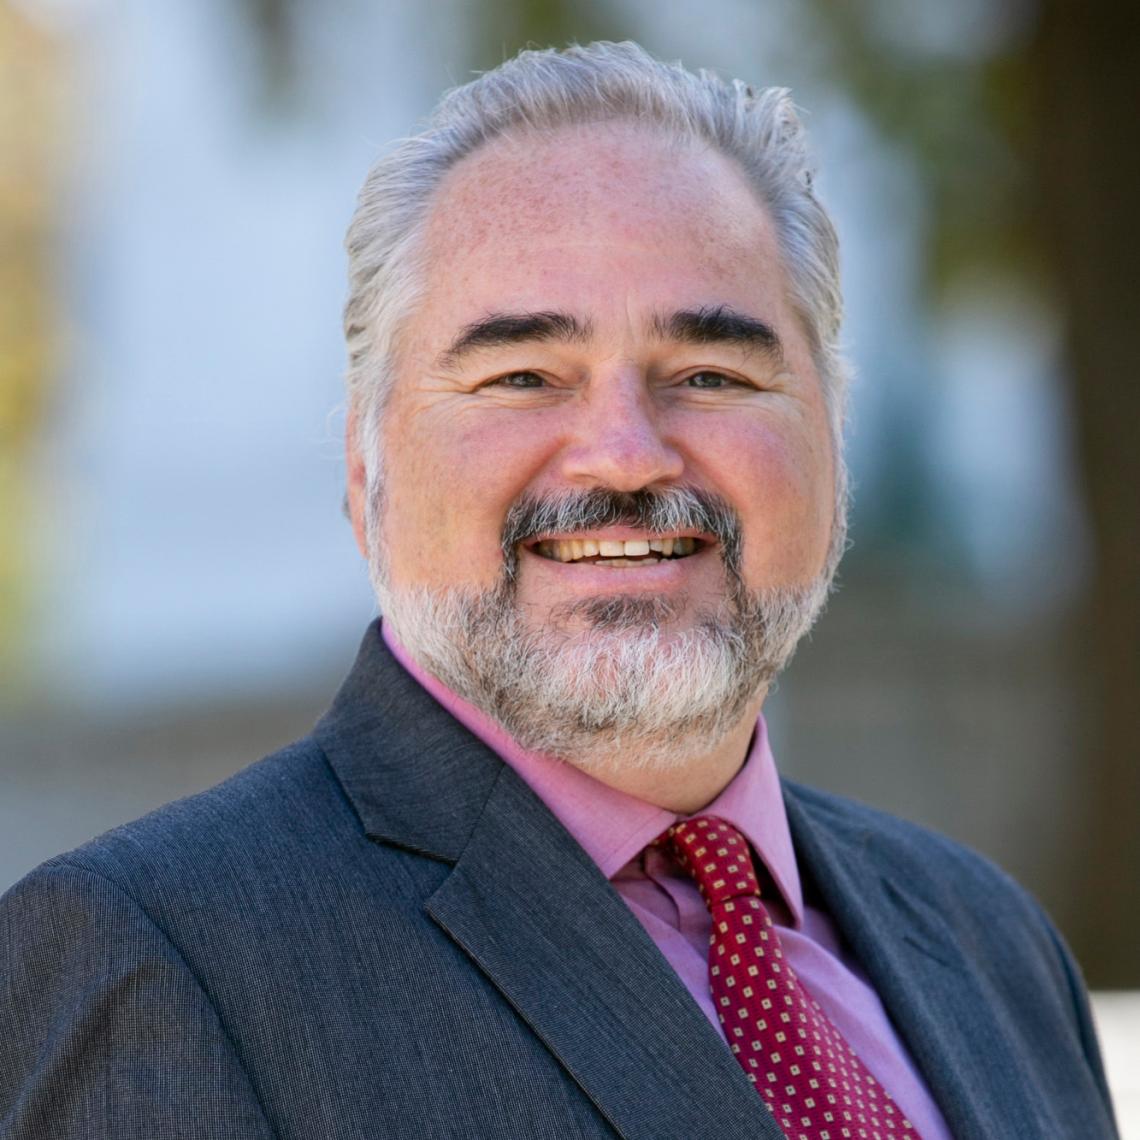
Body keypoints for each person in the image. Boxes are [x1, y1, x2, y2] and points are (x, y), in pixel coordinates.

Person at [0, 41, 1118, 1140]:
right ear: (364, 468)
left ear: (831, 443)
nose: (626, 454)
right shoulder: (159, 956)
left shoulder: (992, 943)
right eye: (524, 376)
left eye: (712, 375)